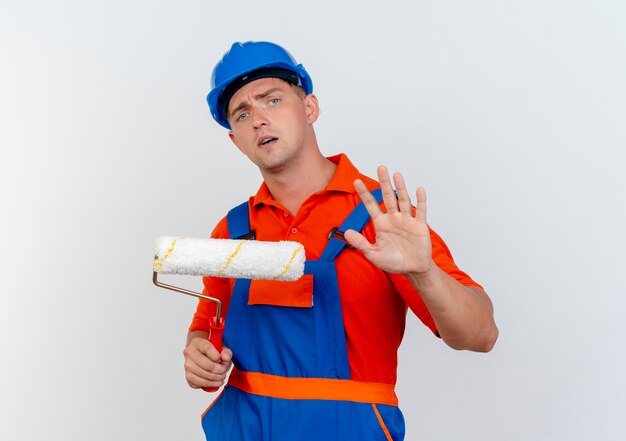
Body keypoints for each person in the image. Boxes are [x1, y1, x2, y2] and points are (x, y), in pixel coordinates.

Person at [184, 41, 498, 441]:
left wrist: (424, 272)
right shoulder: (231, 230)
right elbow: (206, 328)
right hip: (245, 427)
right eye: (241, 114)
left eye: (272, 100)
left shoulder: (382, 216)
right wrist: (199, 355)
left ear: (310, 108)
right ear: (235, 139)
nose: (258, 119)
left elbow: (481, 335)